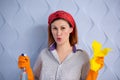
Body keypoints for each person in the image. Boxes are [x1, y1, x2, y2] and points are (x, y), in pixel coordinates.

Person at [18, 10, 111, 80]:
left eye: (63, 28)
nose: (58, 33)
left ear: (71, 29)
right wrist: (26, 69)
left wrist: (94, 71)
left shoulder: (82, 56)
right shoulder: (44, 54)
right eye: (54, 28)